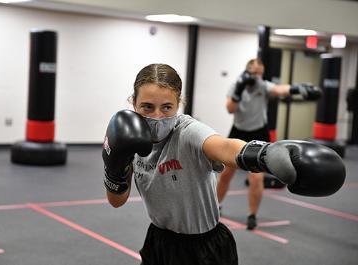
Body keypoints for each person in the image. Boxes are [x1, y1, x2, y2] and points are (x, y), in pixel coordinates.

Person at [102, 63, 344, 265]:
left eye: (167, 107)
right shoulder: (128, 137)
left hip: (204, 247)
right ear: (134, 103)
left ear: (179, 104)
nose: (157, 117)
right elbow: (116, 201)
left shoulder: (188, 132)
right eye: (147, 107)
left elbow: (225, 146)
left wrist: (265, 154)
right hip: (159, 242)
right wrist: (115, 164)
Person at [217, 58, 321, 230]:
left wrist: (296, 88)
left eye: (260, 73)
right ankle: (217, 205)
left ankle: (252, 215)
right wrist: (239, 90)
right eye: (255, 72)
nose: (258, 76)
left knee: (256, 178)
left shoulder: (263, 86)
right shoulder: (236, 85)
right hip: (238, 132)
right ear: (247, 71)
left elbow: (279, 90)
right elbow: (230, 109)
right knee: (226, 174)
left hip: (258, 133)